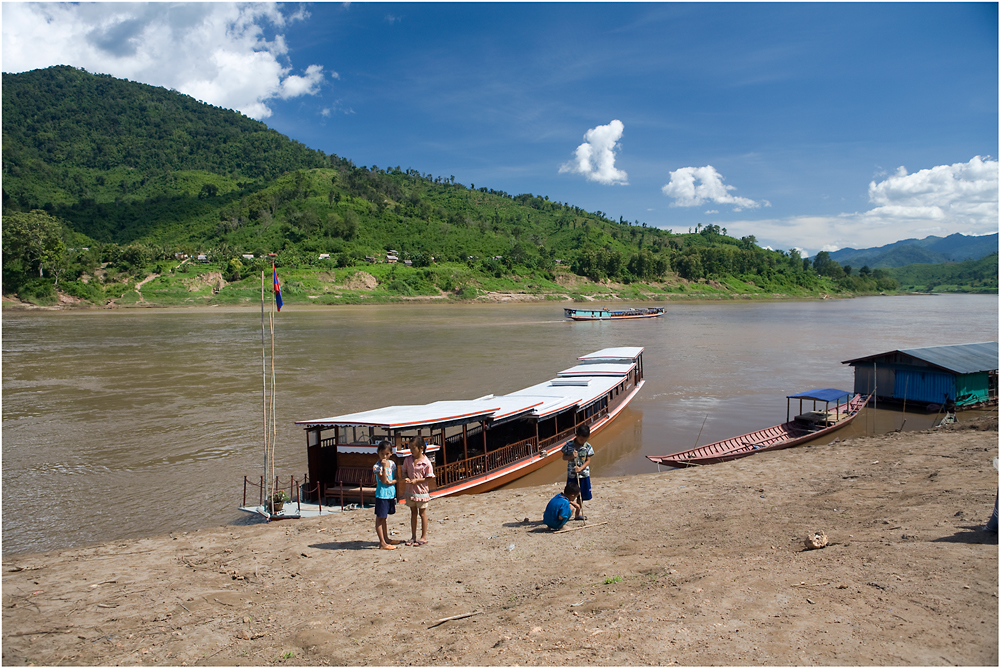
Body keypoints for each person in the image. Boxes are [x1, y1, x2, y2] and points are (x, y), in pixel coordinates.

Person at [402, 437, 435, 546]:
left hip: (421, 492)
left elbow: (429, 477)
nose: (411, 450)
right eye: (409, 448)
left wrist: (417, 480)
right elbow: (404, 472)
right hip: (411, 491)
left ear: (421, 448)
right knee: (413, 513)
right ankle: (413, 536)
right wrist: (406, 478)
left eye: (413, 448)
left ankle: (424, 536)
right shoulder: (408, 460)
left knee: (422, 513)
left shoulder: (426, 463)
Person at [562, 424, 594, 520]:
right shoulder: (568, 445)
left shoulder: (588, 447)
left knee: (581, 496)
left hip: (583, 475)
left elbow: (588, 460)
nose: (582, 442)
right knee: (569, 495)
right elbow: (564, 457)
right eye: (581, 439)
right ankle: (566, 514)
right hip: (572, 475)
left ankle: (577, 514)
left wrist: (580, 469)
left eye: (584, 440)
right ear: (577, 435)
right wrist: (571, 457)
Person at [373, 442, 400, 550]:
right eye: (382, 454)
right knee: (380, 518)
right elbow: (383, 480)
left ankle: (386, 538)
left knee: (384, 518)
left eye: (386, 454)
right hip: (381, 495)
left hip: (390, 495)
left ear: (390, 454)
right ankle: (382, 543)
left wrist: (392, 481)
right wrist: (384, 468)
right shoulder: (377, 466)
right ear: (378, 453)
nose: (384, 456)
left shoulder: (392, 464)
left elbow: (397, 478)